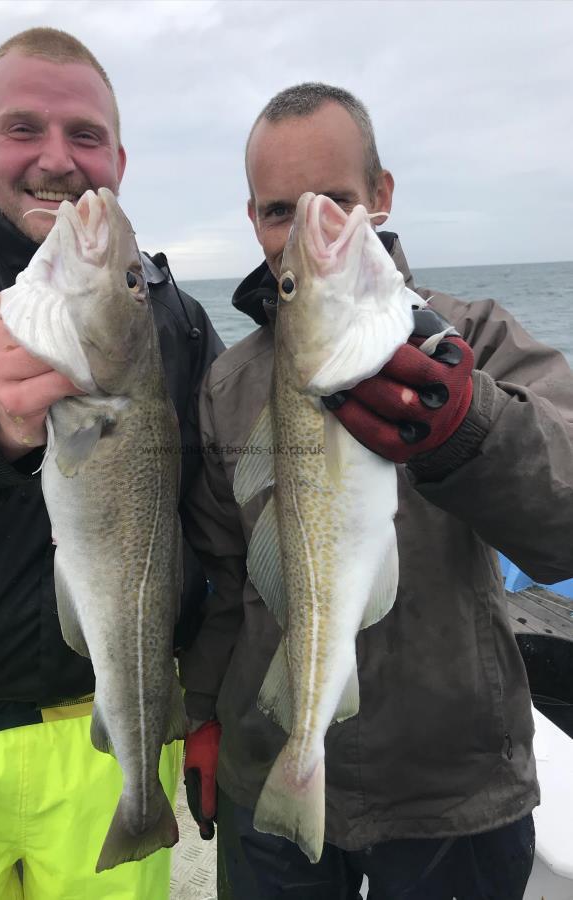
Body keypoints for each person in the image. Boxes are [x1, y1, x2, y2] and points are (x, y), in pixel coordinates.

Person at [179, 83, 573, 900]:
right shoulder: (229, 381)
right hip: (272, 766)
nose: (307, 230)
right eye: (280, 209)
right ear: (252, 219)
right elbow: (222, 577)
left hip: (452, 793)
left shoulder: (477, 337)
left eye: (337, 199)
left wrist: (470, 425)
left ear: (381, 196)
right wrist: (204, 716)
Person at [0, 26, 223, 900]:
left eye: (85, 136)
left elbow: (216, 526)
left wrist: (215, 702)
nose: (57, 160)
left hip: (115, 725)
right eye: (23, 130)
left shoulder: (181, 322)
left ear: (118, 156)